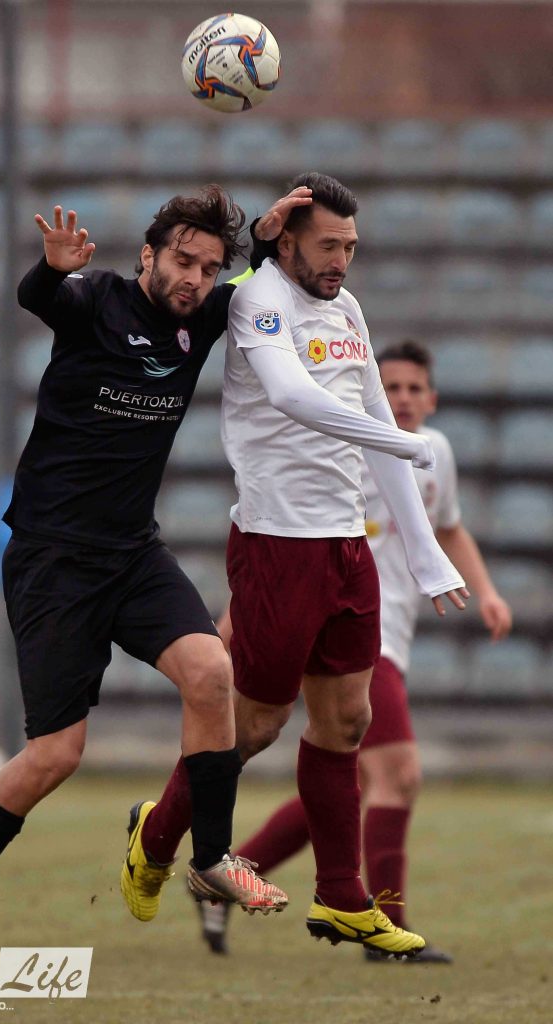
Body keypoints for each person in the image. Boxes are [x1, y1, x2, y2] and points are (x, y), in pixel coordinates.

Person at [0, 186, 297, 966]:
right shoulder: (95, 300)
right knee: (55, 757)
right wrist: (51, 271)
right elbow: (40, 297)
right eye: (182, 260)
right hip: (53, 559)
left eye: (207, 268)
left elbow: (254, 282)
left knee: (210, 671)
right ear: (149, 255)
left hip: (131, 553)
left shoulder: (202, 317)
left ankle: (210, 859)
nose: (193, 278)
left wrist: (261, 240)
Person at [121, 172, 470, 960]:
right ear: (286, 243)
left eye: (350, 246)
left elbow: (373, 421)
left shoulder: (347, 310)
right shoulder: (257, 299)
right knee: (254, 728)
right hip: (277, 545)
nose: (340, 259)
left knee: (347, 722)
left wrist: (426, 556)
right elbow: (289, 396)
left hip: (346, 546)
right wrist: (403, 441)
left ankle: (343, 900)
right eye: (327, 245)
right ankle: (157, 835)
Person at [197, 340, 512, 959]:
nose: (402, 399)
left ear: (432, 398)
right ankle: (384, 926)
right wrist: (234, 624)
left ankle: (221, 878)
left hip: (386, 638)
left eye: (414, 389)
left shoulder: (434, 453)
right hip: (353, 636)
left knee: (352, 786)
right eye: (390, 388)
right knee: (399, 775)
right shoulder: (347, 449)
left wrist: (489, 591)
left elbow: (448, 526)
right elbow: (287, 538)